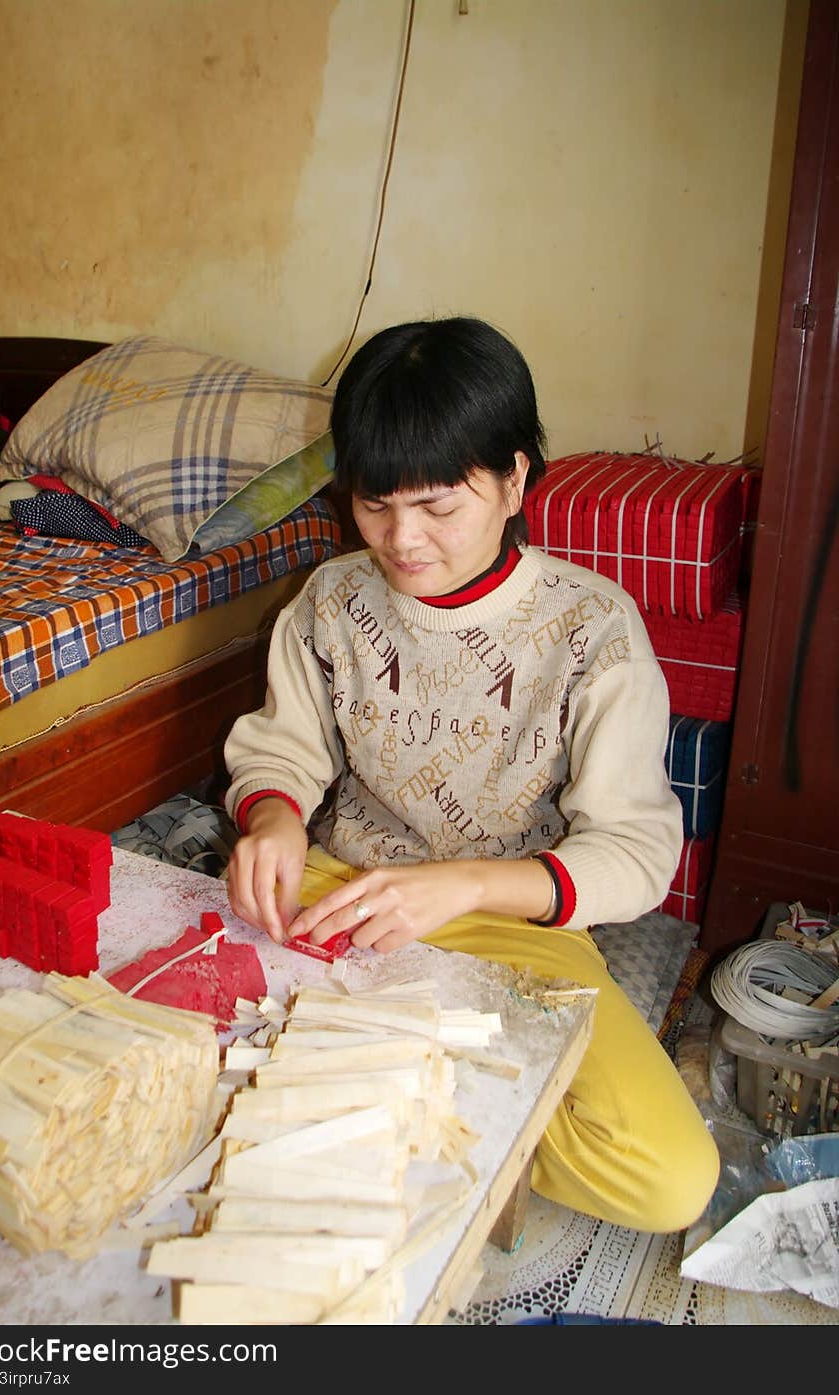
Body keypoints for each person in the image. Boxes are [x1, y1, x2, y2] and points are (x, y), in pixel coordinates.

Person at [223, 315, 719, 1234]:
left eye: (438, 505)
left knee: (669, 1175)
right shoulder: (332, 601)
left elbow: (637, 848)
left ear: (513, 480)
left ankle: (393, 1100)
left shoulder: (592, 630)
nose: (401, 540)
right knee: (184, 1039)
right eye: (373, 504)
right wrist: (274, 821)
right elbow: (281, 746)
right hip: (342, 891)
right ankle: (407, 1100)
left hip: (508, 917)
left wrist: (466, 884)